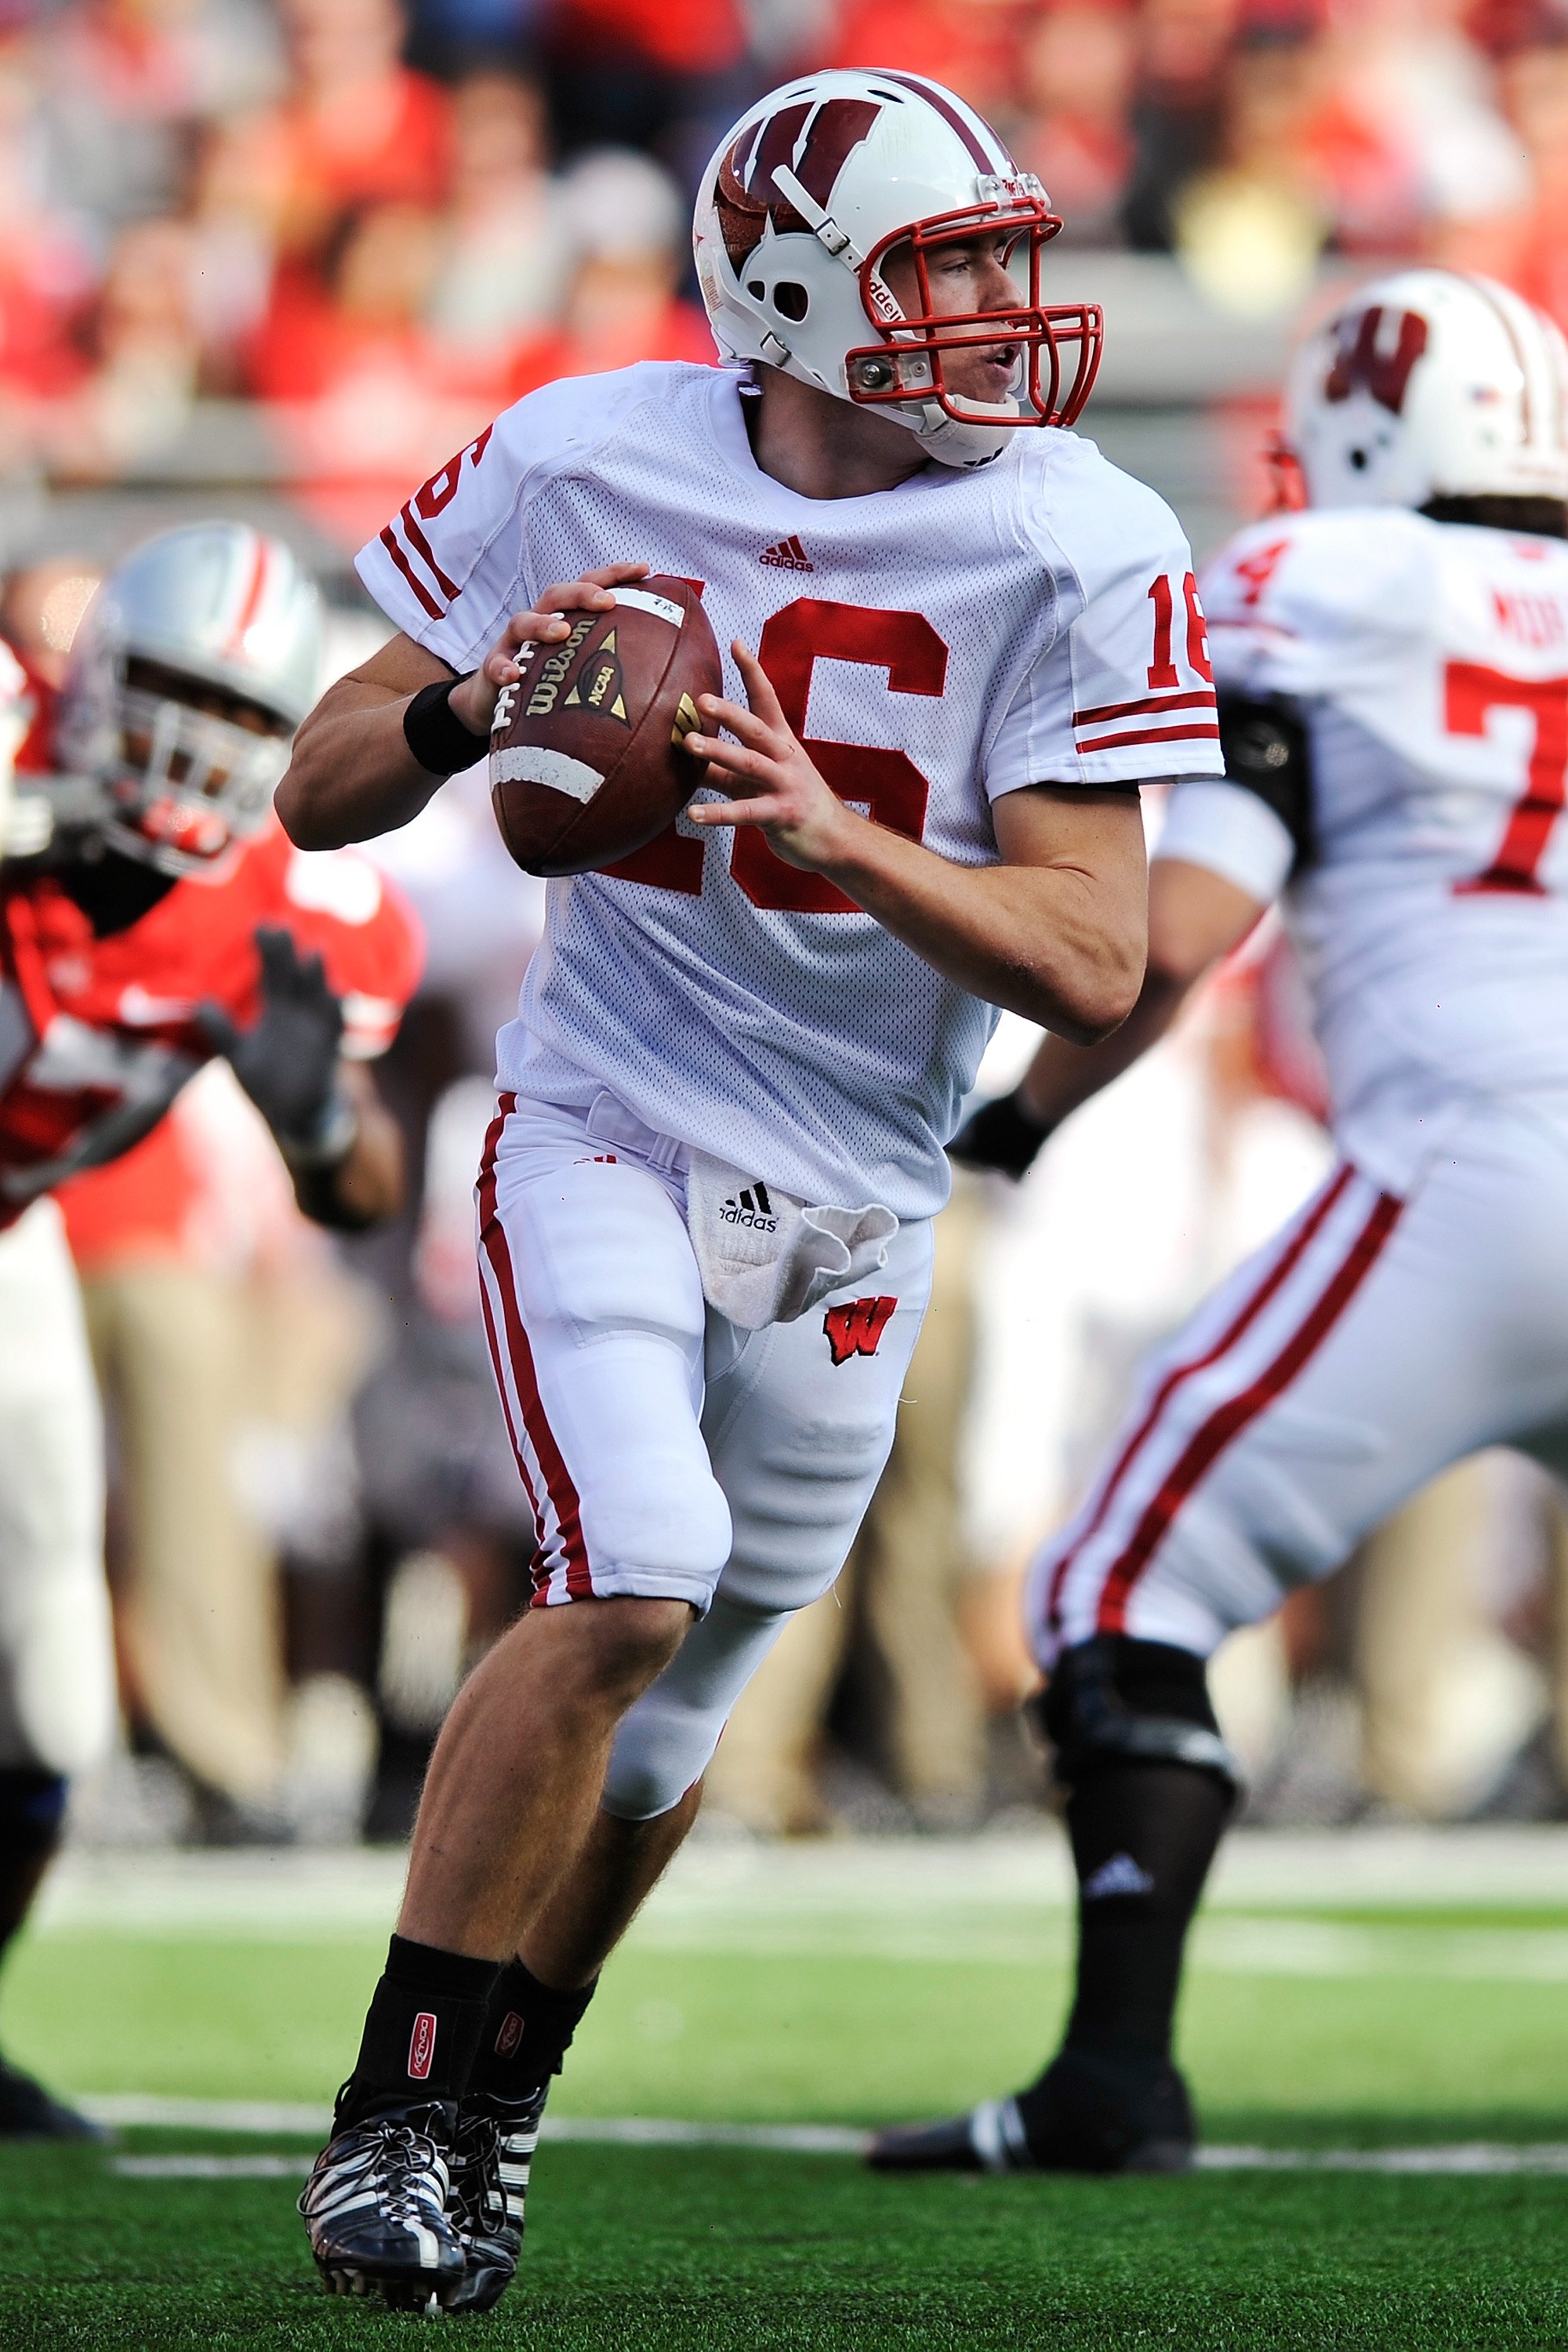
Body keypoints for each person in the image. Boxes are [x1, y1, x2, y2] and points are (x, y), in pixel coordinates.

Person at [283, 65, 1225, 2316]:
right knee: (631, 1579)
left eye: (1000, 268)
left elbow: (1099, 956)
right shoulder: (587, 449)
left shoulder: (1082, 536)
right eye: (939, 280)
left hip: (861, 1191)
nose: (998, 319)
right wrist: (460, 708)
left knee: (682, 1715)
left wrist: (854, 840)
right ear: (789, 301)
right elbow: (323, 782)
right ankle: (394, 2111)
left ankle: (500, 2103)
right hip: (604, 1111)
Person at [868, 266, 1568, 2177]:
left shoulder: (1321, 587)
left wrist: (1012, 1123)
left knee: (1114, 1585)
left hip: (1477, 1172)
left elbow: (1179, 933)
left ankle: (1111, 2079)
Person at [0, 519, 419, 2128]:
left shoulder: (292, 904)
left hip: (17, 1235)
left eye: (245, 716)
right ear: (91, 678)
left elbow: (363, 1192)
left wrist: (317, 1126)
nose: (197, 746)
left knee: (44, 1706)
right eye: (171, 694)